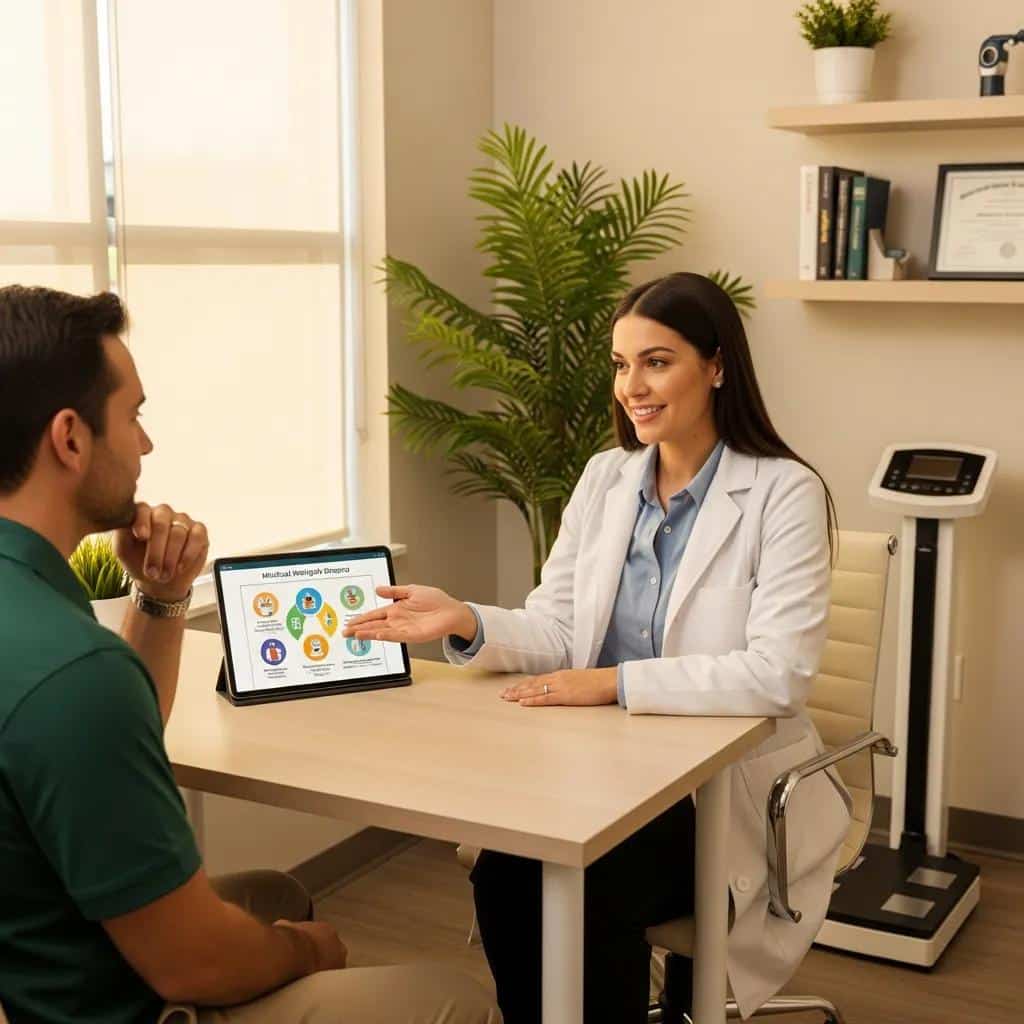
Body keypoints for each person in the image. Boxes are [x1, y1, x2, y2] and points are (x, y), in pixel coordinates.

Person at [344, 272, 853, 1023]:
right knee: (509, 874)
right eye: (621, 365)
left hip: (718, 794)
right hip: (600, 773)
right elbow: (557, 630)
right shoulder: (605, 477)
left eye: (657, 362)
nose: (632, 387)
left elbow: (777, 675)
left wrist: (613, 683)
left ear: (716, 366)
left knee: (585, 884)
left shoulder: (784, 492)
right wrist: (463, 620)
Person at [0, 285, 498, 1024]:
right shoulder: (74, 669)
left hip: (35, 952)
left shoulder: (37, 616)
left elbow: (113, 734)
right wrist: (305, 950)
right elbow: (193, 961)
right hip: (103, 1004)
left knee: (275, 894)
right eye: (134, 417)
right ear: (70, 439)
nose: (146, 445)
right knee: (455, 999)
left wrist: (163, 595)